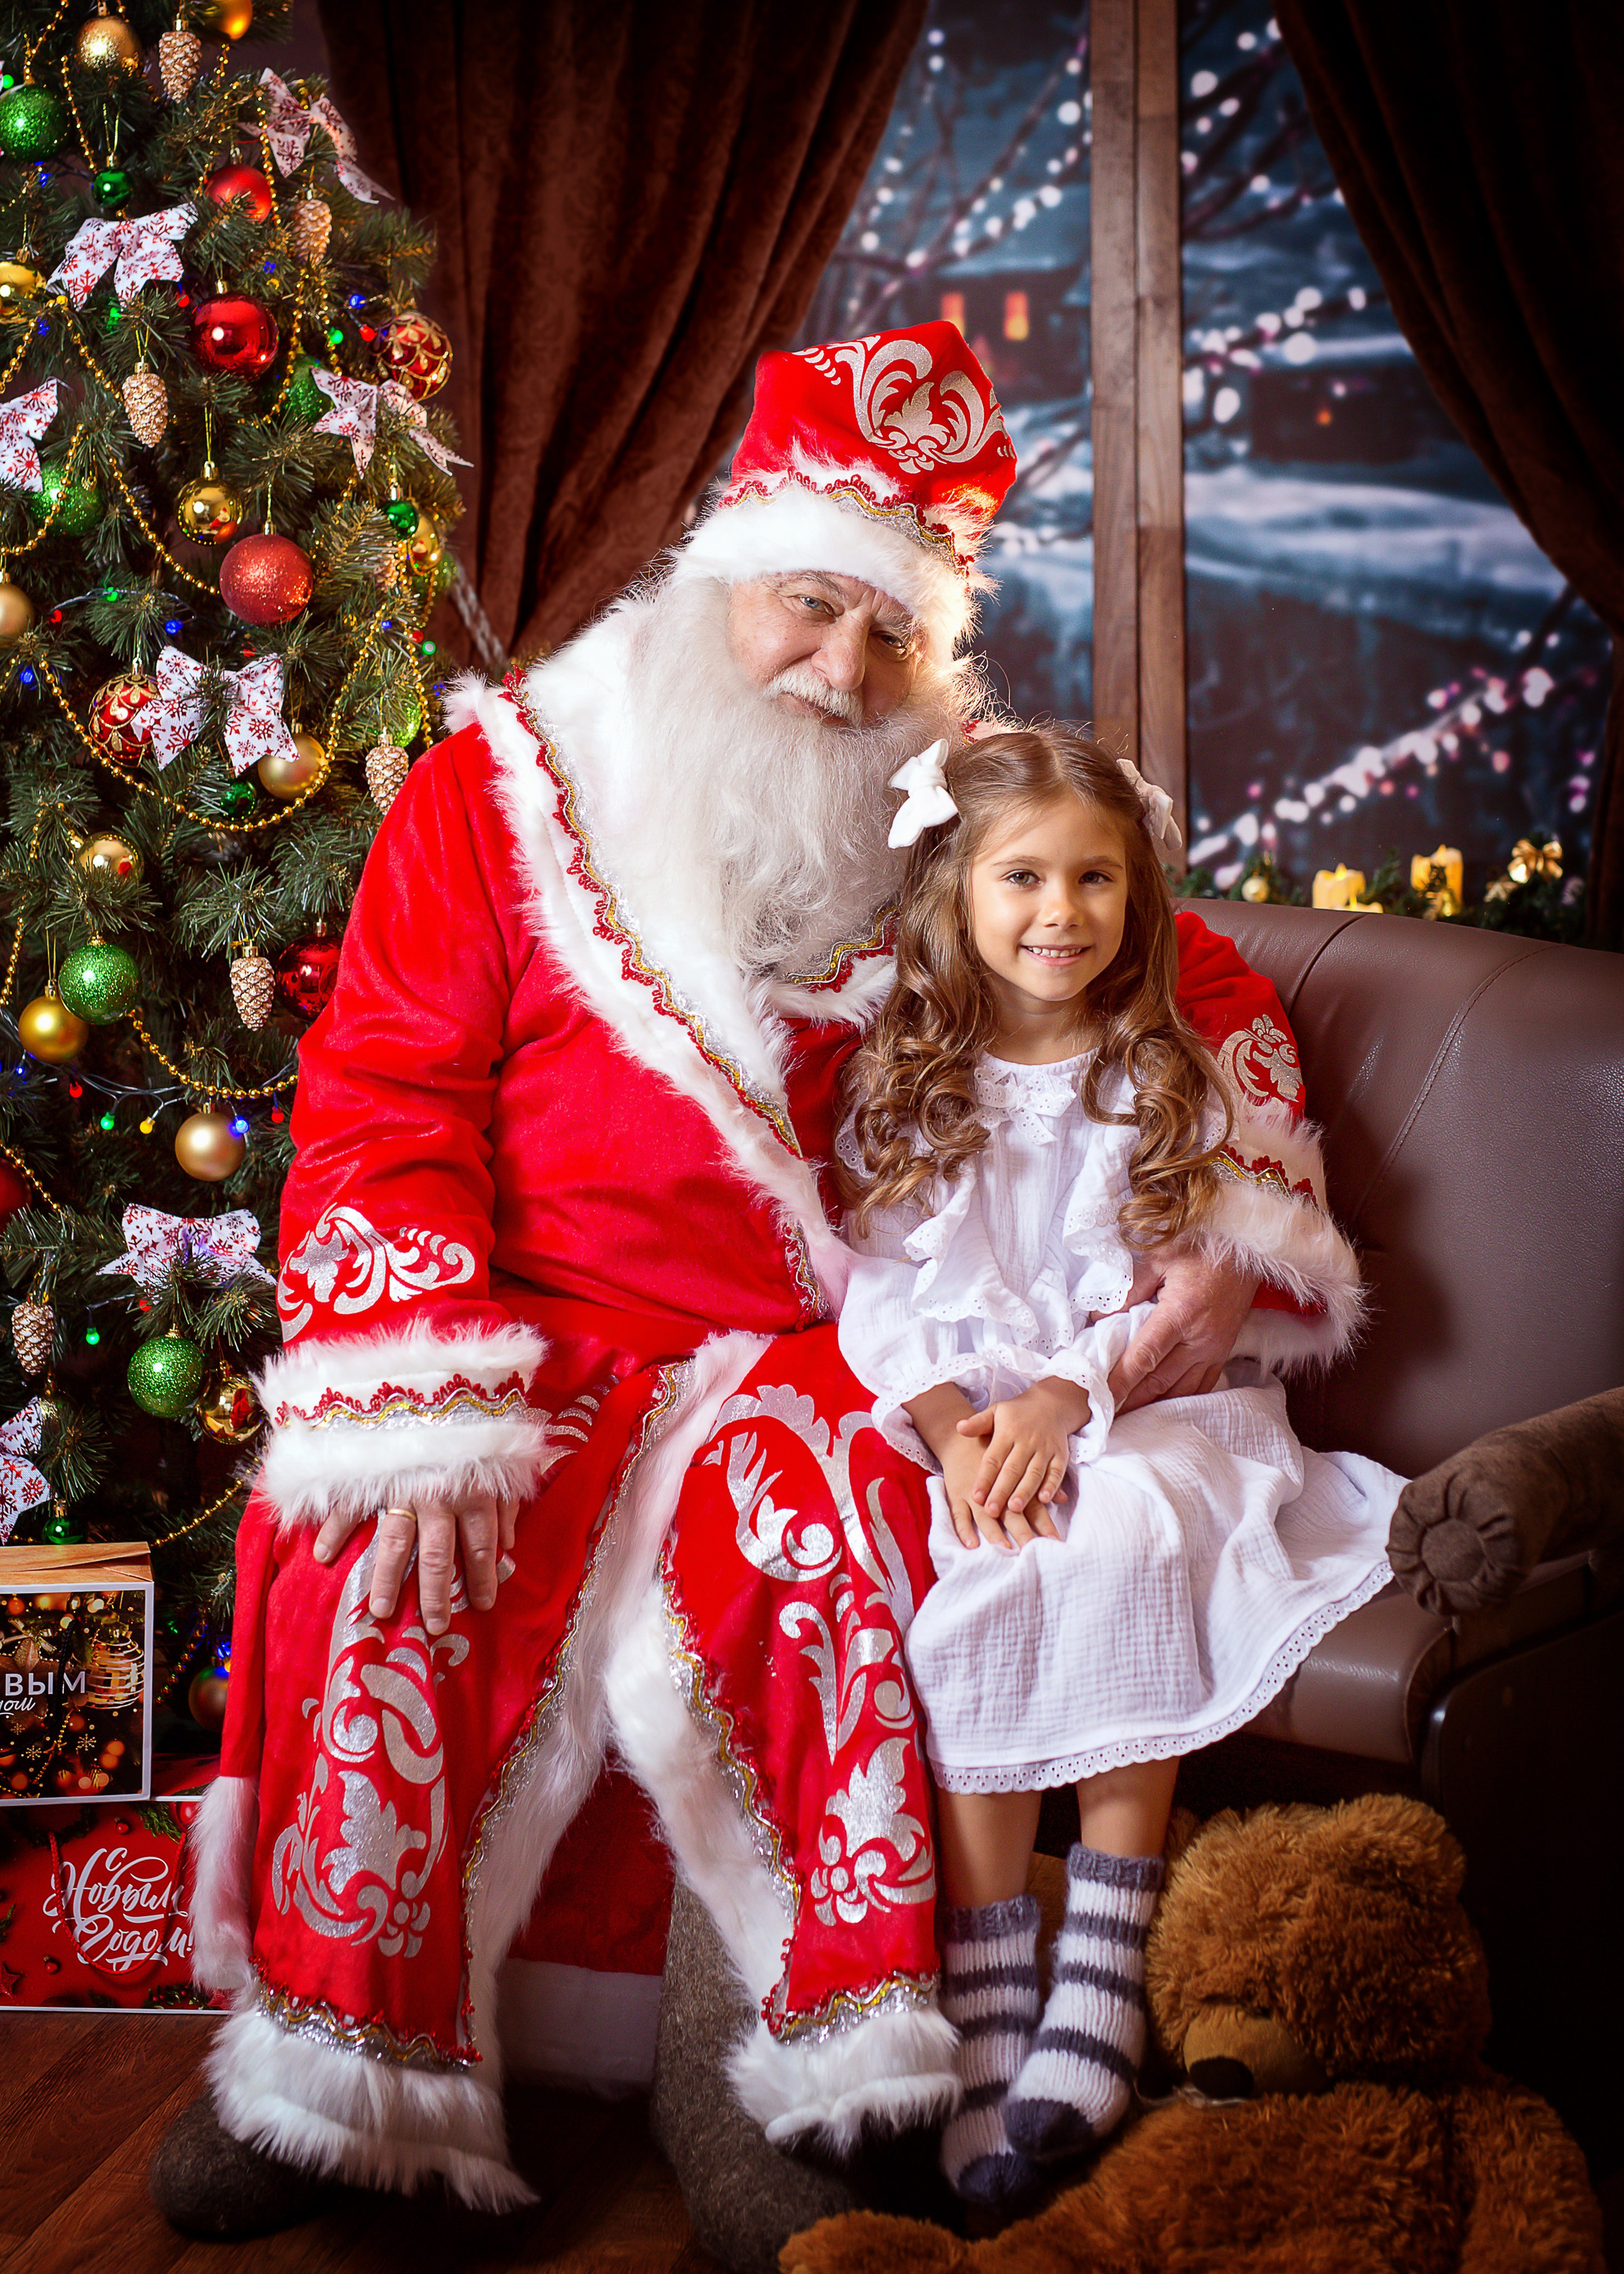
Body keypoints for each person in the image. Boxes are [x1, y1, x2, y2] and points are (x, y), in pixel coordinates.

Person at [158, 322, 1354, 2233]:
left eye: (892, 636)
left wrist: (1222, 1240)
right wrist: (418, 1396)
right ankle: (333, 2061)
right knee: (393, 1539)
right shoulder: (508, 787)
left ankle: (781, 2086)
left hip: (831, 1338)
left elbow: (1195, 991)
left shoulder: (963, 804)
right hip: (519, 1317)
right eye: (811, 610)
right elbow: (383, 1095)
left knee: (816, 1540)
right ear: (730, 568)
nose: (842, 672)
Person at [835, 725, 1401, 2204]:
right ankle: (985, 1992)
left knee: (1120, 1535)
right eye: (1021, 876)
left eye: (1095, 878)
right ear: (956, 891)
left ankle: (1102, 1950)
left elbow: (1174, 1307)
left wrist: (1064, 1401)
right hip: (980, 1418)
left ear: (1138, 898)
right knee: (976, 1576)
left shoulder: (1165, 1074)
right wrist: (957, 1415)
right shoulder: (918, 1071)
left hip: (1150, 1415)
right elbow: (882, 1285)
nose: (1059, 911)